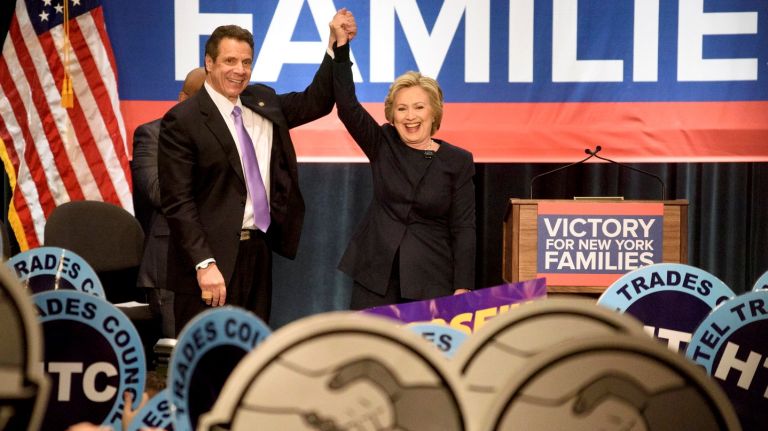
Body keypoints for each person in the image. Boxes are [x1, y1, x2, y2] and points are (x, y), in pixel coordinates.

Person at [158, 14, 354, 334]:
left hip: (258, 252)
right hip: (210, 262)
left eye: (246, 62)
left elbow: (316, 101)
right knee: (206, 363)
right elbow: (178, 202)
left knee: (250, 357)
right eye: (230, 60)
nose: (239, 70)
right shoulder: (183, 120)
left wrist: (335, 47)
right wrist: (204, 263)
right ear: (209, 62)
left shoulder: (261, 101)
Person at [329, 12, 476, 309]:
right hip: (376, 277)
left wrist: (463, 286)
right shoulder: (383, 143)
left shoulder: (457, 161)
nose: (410, 117)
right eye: (401, 109)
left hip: (431, 279)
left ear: (433, 112)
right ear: (392, 115)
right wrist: (341, 47)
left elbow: (464, 228)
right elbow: (346, 105)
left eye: (419, 107)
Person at [132, 67, 206, 338]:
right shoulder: (151, 135)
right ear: (182, 98)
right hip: (170, 267)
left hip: (220, 261)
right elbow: (158, 192)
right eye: (200, 98)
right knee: (177, 357)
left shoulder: (232, 135)